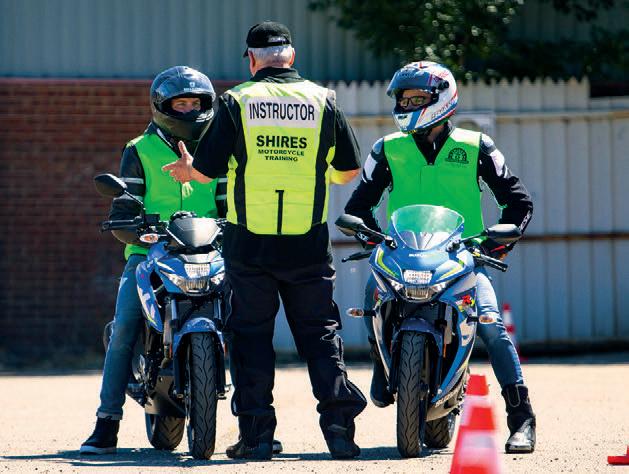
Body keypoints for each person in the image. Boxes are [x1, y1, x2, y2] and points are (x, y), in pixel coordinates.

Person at [163, 21, 367, 460]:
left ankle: (256, 439)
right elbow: (350, 170)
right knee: (320, 335)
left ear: (252, 60)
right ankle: (340, 433)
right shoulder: (323, 100)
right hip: (308, 241)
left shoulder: (236, 101)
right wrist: (314, 174)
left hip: (249, 244)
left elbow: (206, 172)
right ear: (291, 56)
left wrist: (186, 170)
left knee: (251, 339)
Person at [343, 61, 536, 453]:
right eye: (403, 99)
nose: (406, 105)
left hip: (461, 260)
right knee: (371, 300)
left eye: (415, 98)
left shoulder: (476, 146)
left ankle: (522, 419)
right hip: (402, 258)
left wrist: (493, 244)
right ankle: (382, 367)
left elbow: (519, 203)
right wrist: (374, 237)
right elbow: (358, 206)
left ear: (442, 99)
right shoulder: (387, 149)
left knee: (492, 326)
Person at [80, 66, 226, 454]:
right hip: (149, 253)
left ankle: (255, 425)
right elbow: (124, 206)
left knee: (248, 323)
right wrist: (130, 225)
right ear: (162, 106)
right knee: (125, 327)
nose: (190, 110)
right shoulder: (138, 149)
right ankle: (106, 423)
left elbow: (229, 201)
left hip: (209, 252)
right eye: (181, 104)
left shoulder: (217, 148)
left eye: (195, 103)